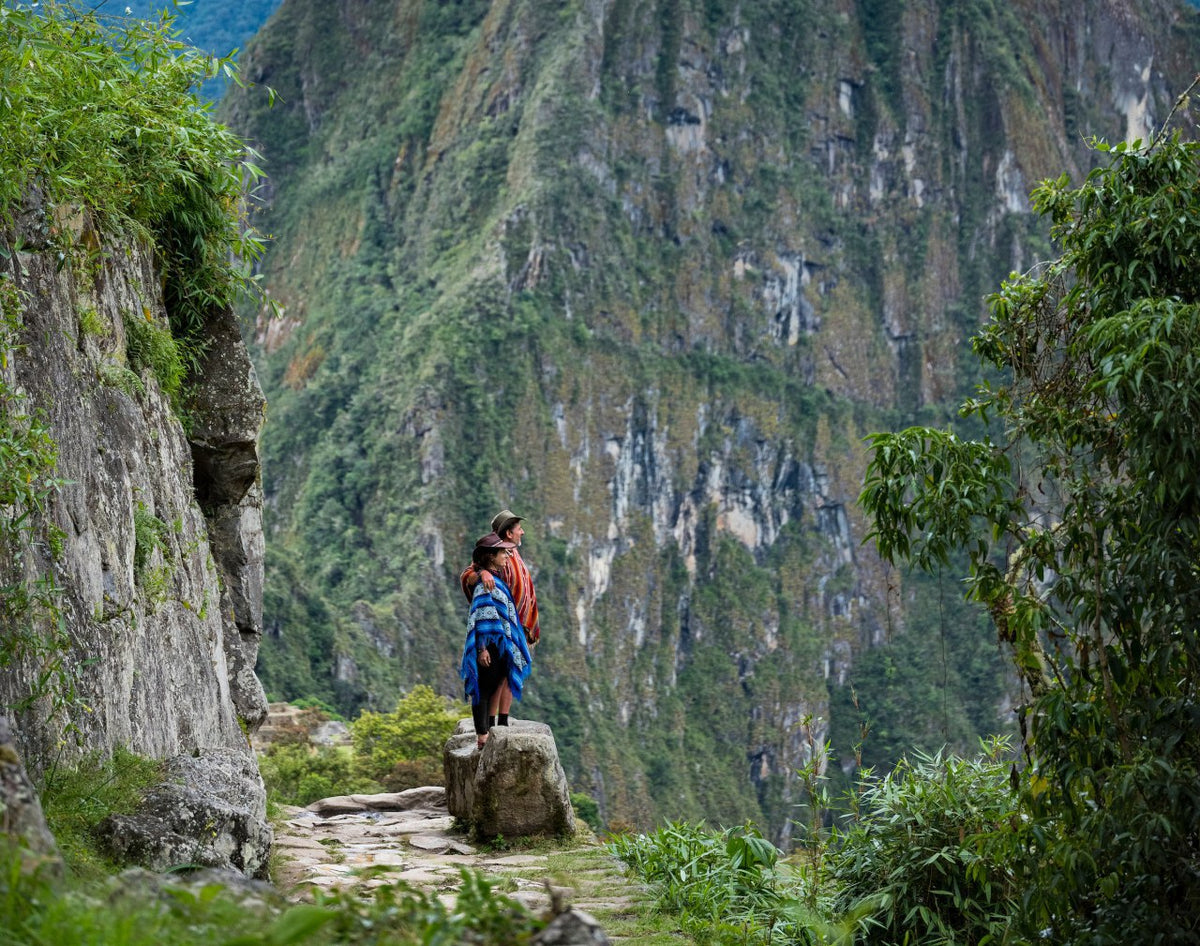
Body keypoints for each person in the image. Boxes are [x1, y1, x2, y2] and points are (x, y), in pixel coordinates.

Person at [459, 509, 541, 726]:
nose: (522, 532)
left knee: (509, 672)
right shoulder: (496, 556)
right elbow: (469, 574)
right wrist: (482, 574)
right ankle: (493, 722)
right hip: (500, 623)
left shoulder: (512, 553)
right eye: (518, 529)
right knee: (496, 676)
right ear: (508, 533)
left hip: (516, 623)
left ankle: (503, 719)